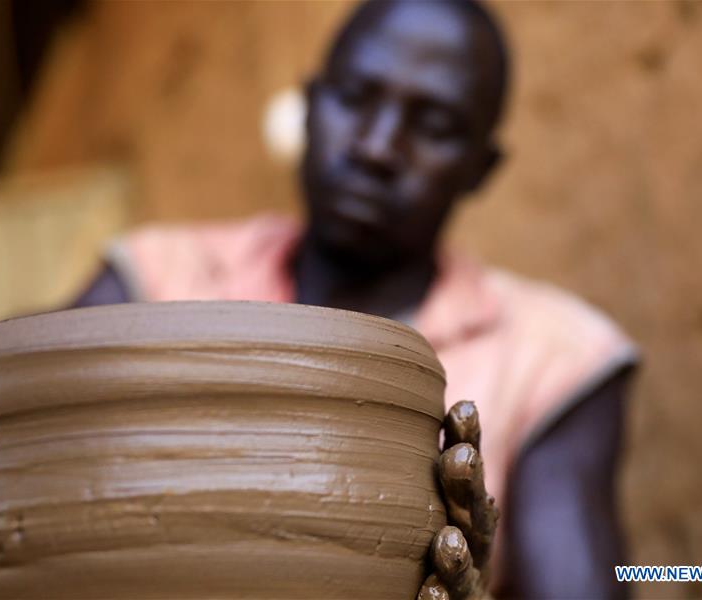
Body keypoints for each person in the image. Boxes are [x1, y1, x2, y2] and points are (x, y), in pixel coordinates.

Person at [72, 1, 638, 597]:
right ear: (311, 106)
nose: (376, 147)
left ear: (481, 168)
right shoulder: (154, 285)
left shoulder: (552, 358)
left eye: (434, 126)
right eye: (353, 98)